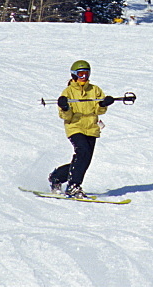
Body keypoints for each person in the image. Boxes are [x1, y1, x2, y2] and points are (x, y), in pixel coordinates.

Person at [48, 60, 115, 199]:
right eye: (80, 74)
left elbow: (99, 110)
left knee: (84, 161)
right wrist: (65, 107)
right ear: (74, 75)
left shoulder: (95, 90)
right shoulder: (68, 92)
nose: (84, 77)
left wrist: (103, 104)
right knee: (82, 152)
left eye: (86, 73)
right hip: (75, 127)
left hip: (91, 128)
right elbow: (65, 116)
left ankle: (57, 177)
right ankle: (73, 186)